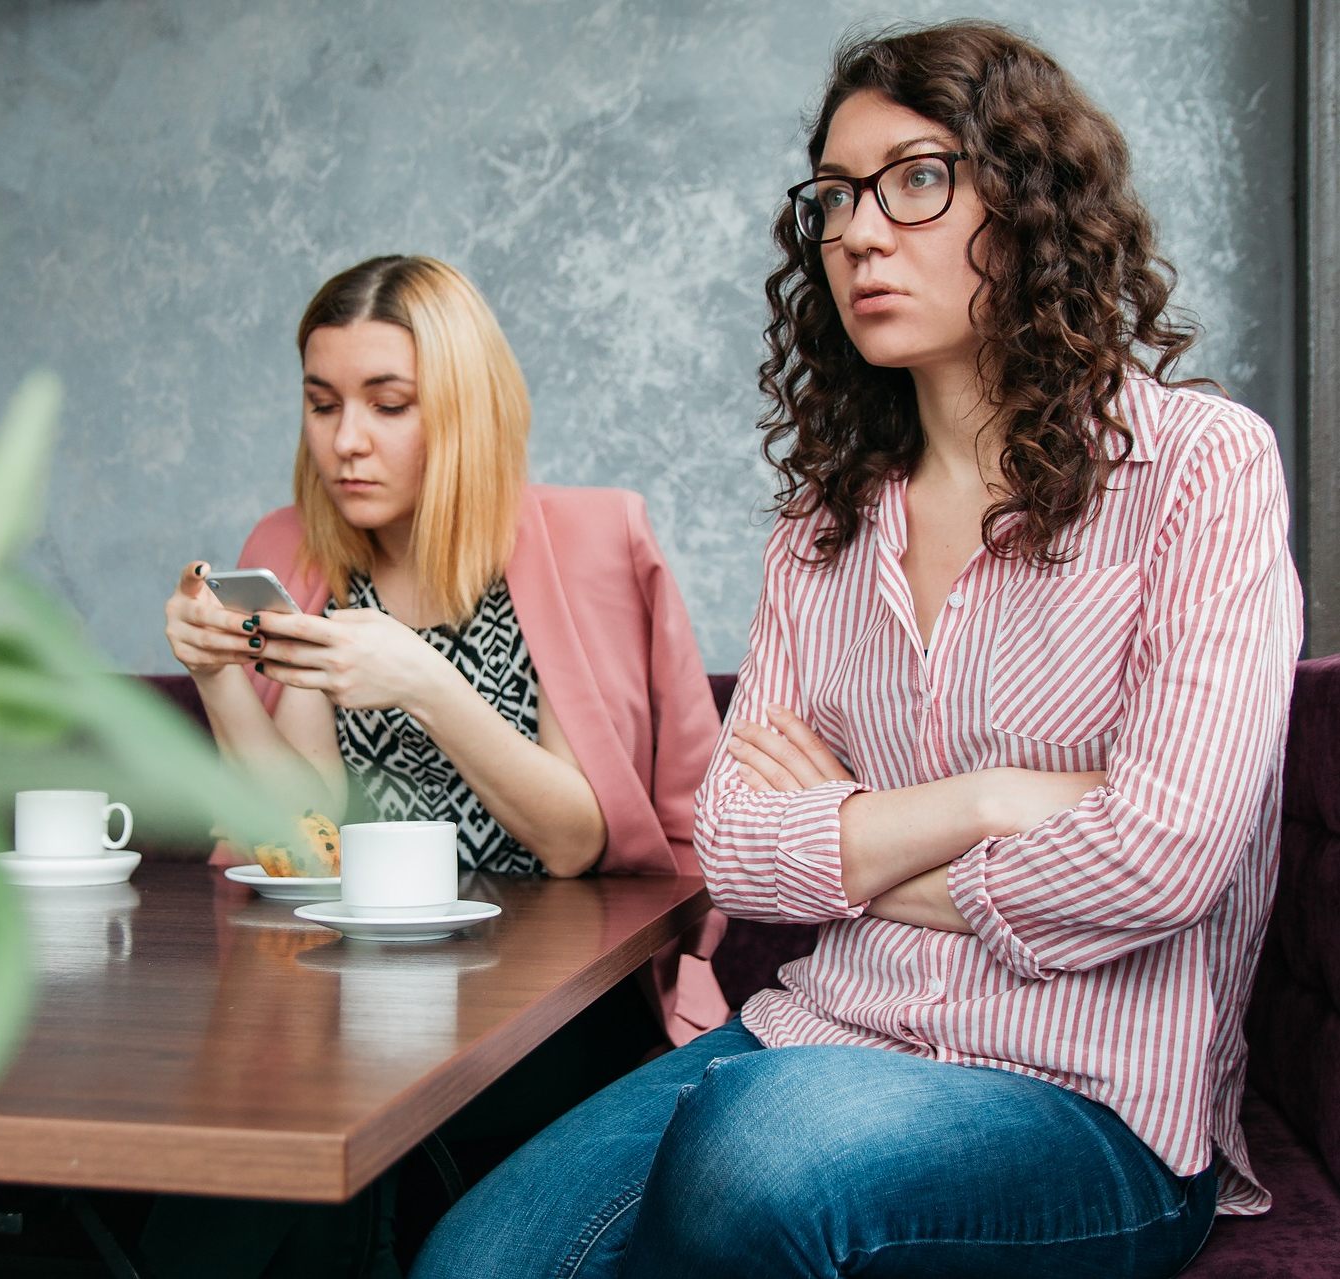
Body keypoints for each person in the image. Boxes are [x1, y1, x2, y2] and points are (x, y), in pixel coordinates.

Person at [412, 20, 1302, 1279]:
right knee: (469, 1262)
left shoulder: (1200, 468)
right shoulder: (823, 523)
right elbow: (735, 849)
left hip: (1094, 1104)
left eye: (917, 180)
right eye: (835, 198)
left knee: (762, 1154)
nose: (862, 232)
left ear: (1032, 202)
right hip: (821, 1031)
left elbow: (1162, 860)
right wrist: (987, 803)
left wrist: (852, 836)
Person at [148, 254, 728, 1277]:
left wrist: (421, 679)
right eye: (322, 404)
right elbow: (304, 828)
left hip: (548, 997)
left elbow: (574, 838)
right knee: (264, 1133)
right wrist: (224, 680)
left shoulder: (583, 541)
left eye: (388, 403)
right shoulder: (291, 548)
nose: (345, 441)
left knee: (310, 1137)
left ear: (461, 408)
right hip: (343, 988)